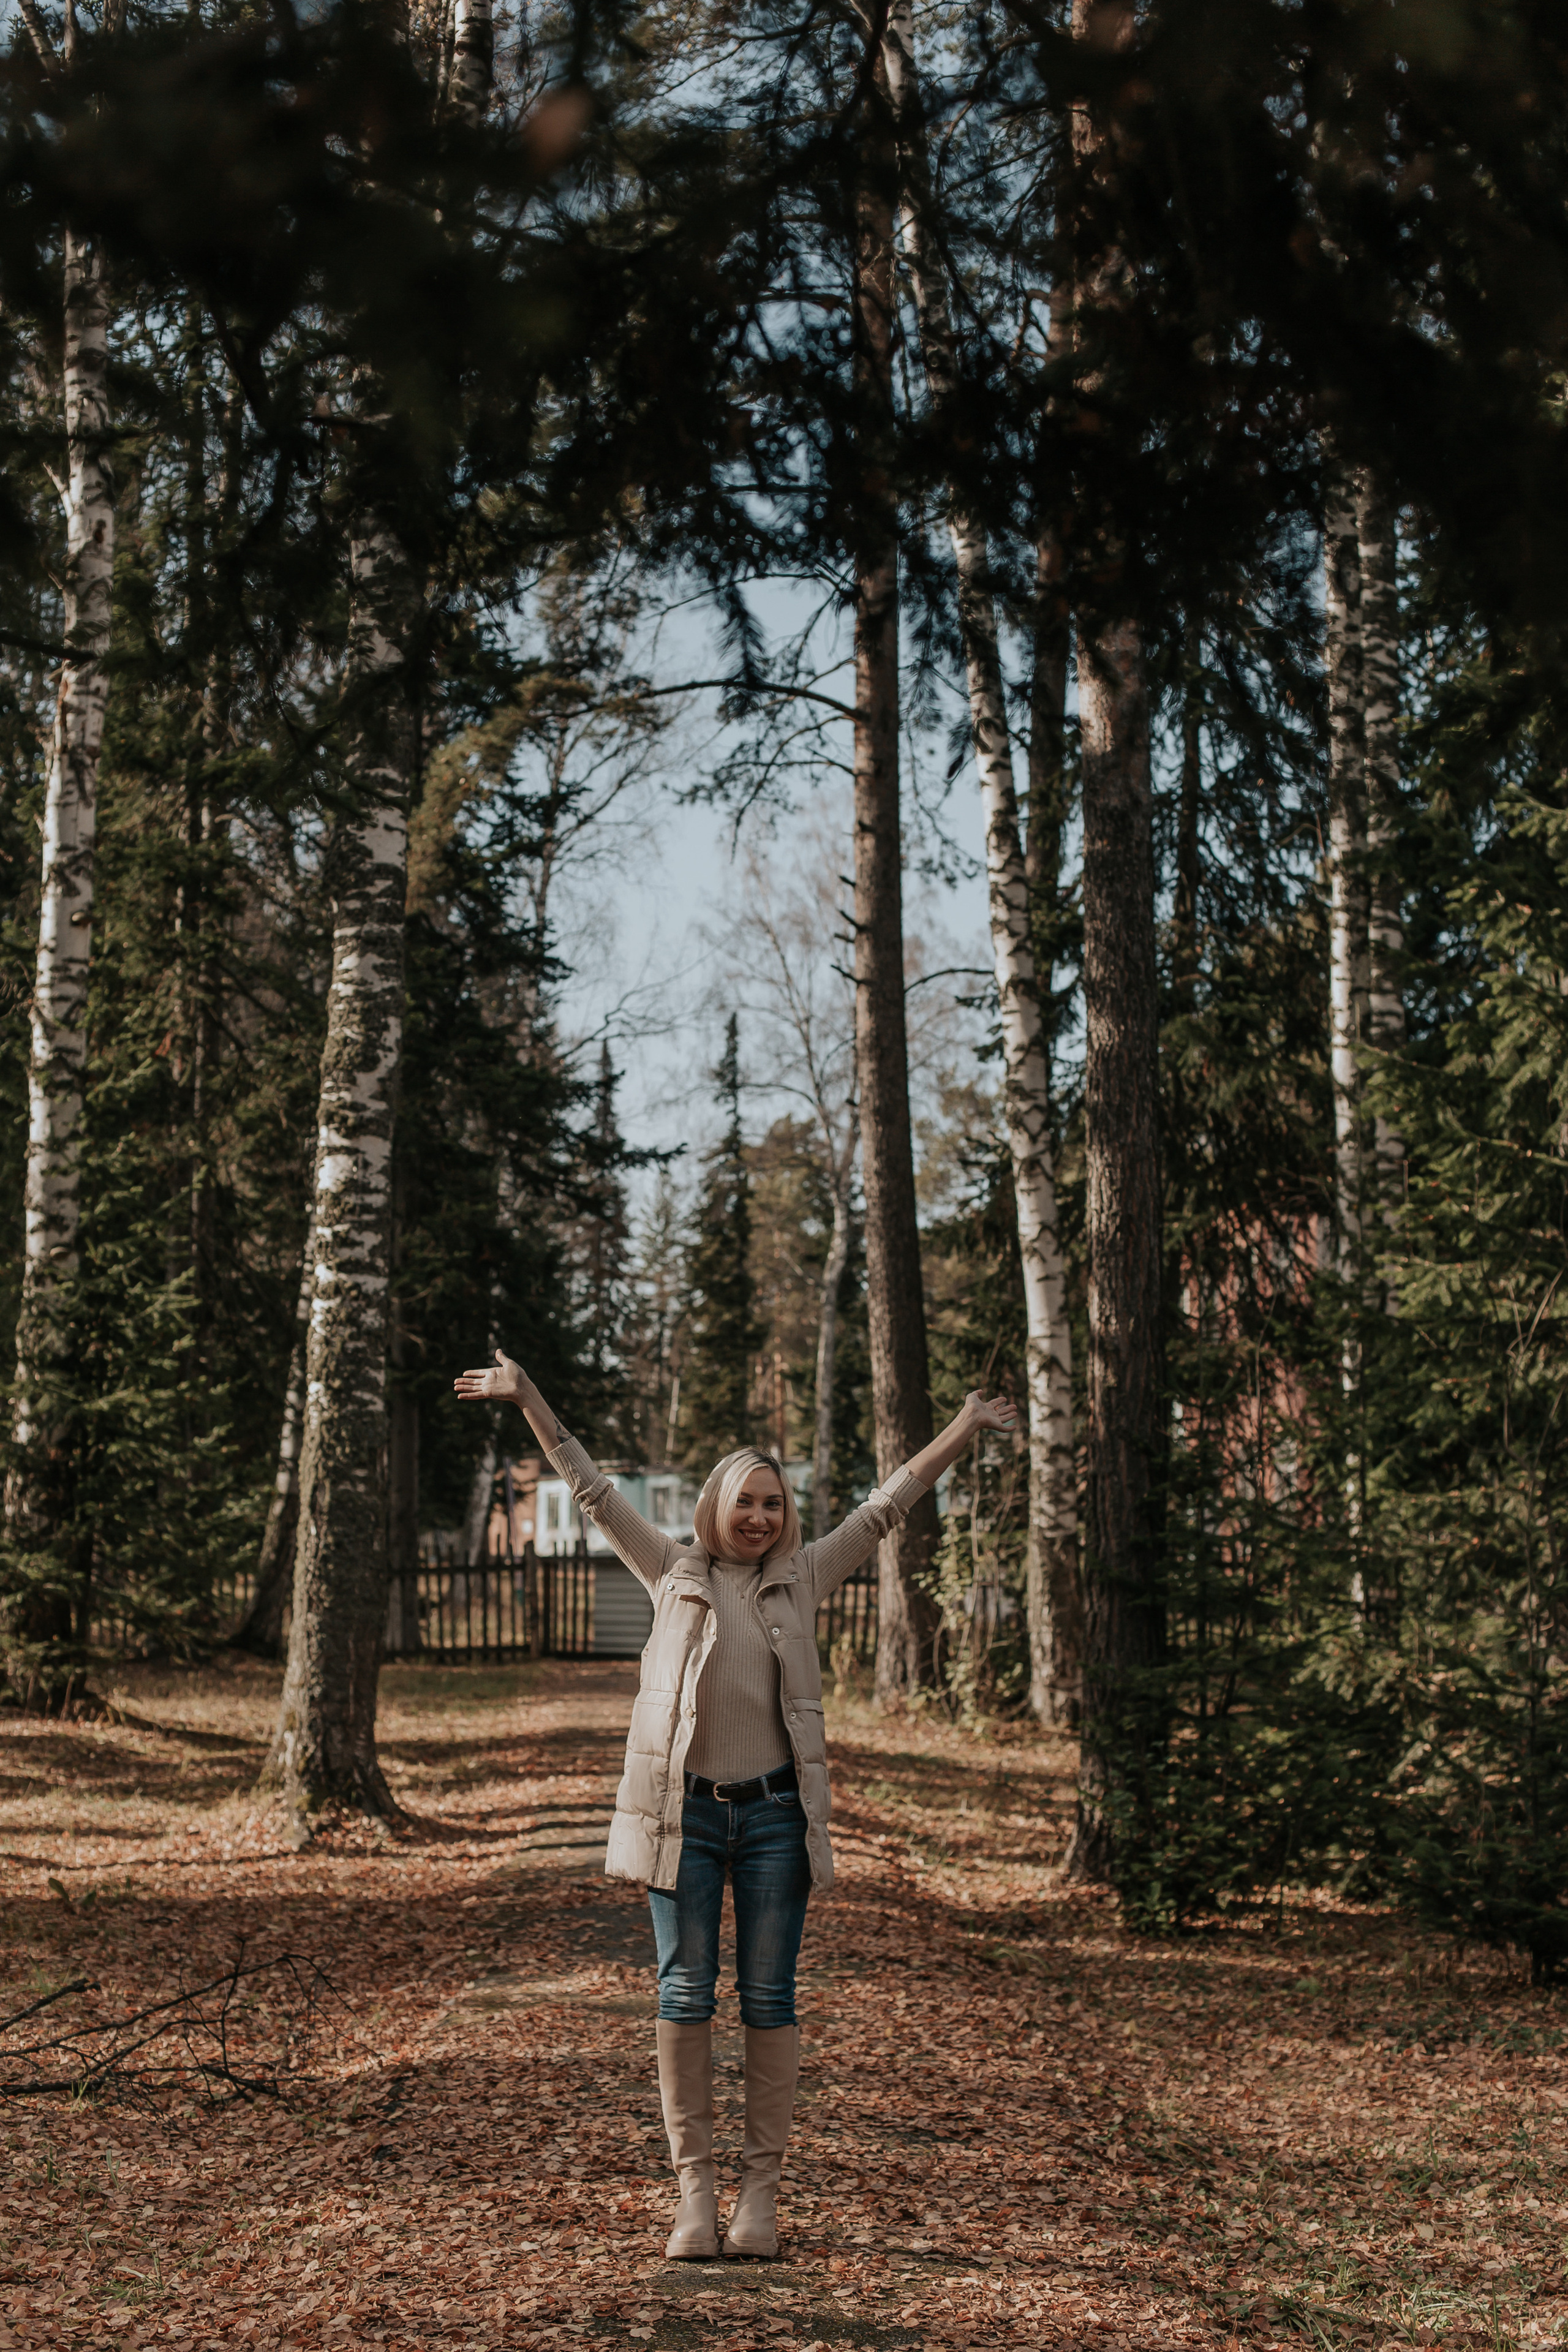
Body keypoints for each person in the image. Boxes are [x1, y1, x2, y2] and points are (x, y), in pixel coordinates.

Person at [453, 1349, 1016, 2261]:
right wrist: (530, 1396)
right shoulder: (670, 1569)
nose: (760, 1517)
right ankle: (695, 2197)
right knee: (682, 1991)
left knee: (767, 1996)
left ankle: (761, 2197)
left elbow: (886, 1506)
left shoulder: (806, 1576)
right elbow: (589, 1488)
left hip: (772, 1825)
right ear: (715, 1505)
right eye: (746, 1501)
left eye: (775, 1503)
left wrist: (962, 1427)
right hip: (685, 1823)